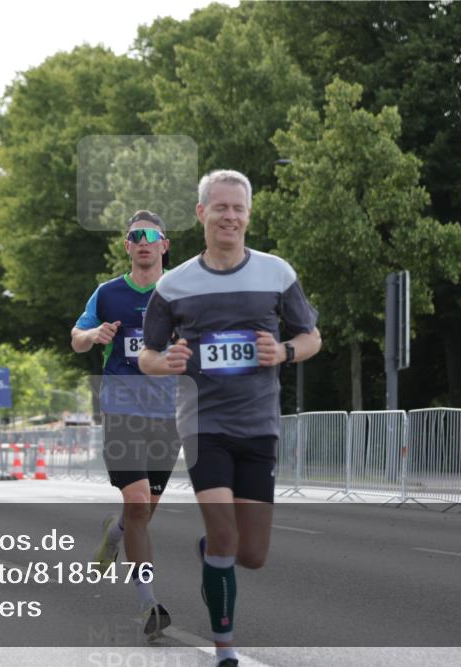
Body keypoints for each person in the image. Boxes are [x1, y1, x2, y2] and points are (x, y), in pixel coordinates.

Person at [138, 170, 322, 667]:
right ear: (202, 213)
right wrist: (167, 362)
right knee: (225, 534)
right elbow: (147, 355)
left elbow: (311, 338)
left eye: (238, 208)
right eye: (220, 207)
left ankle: (212, 555)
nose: (230, 216)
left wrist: (283, 350)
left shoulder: (276, 273)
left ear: (249, 214)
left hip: (260, 424)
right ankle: (225, 650)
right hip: (204, 425)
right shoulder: (174, 285)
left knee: (253, 554)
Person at [72, 210, 181, 640]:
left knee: (142, 512)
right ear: (127, 245)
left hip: (167, 415)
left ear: (164, 245)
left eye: (151, 235)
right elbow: (76, 338)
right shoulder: (108, 293)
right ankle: (148, 604)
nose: (143, 241)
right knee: (137, 503)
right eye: (135, 235)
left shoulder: (181, 293)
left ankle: (113, 534)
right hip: (121, 409)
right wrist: (94, 333)